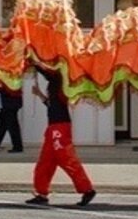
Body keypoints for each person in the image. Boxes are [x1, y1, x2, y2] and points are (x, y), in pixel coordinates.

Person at [25, 64, 96, 207]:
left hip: (60, 128)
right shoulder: (55, 83)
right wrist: (40, 95)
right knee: (45, 162)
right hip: (54, 127)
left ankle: (87, 189)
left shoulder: (59, 78)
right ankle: (41, 193)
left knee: (67, 159)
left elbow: (48, 74)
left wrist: (34, 61)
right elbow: (52, 105)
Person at [0, 85, 23, 153]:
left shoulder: (12, 80)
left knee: (13, 127)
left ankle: (18, 147)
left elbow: (9, 91)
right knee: (0, 126)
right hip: (7, 105)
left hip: (11, 105)